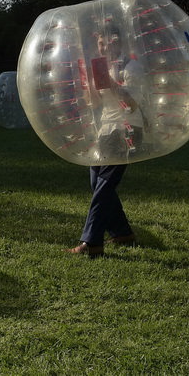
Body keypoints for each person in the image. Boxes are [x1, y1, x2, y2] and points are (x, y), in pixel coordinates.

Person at [67, 23, 144, 257]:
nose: (103, 48)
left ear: (117, 41)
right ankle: (121, 232)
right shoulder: (102, 67)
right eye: (99, 44)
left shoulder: (132, 67)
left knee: (104, 186)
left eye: (106, 43)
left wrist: (109, 82)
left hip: (127, 129)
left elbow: (131, 104)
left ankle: (92, 242)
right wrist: (89, 82)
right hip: (107, 130)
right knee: (96, 183)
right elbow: (96, 103)